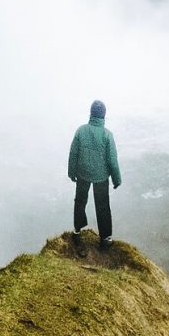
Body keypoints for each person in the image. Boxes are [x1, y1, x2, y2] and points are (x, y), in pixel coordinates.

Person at [68, 99, 122, 246]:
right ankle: (105, 238)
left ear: (91, 114)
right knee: (103, 205)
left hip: (82, 173)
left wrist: (71, 172)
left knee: (80, 201)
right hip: (101, 177)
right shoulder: (107, 135)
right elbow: (112, 160)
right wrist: (117, 180)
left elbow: (73, 153)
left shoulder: (81, 130)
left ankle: (77, 231)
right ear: (104, 115)